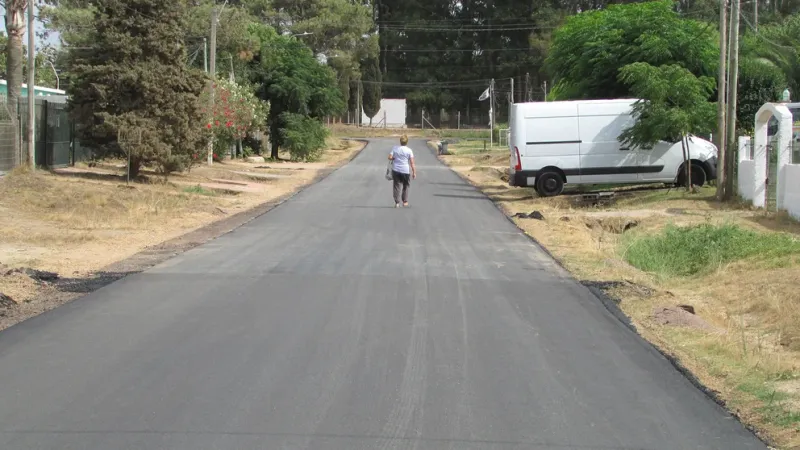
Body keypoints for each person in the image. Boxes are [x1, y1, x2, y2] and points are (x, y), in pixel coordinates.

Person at [388, 135, 416, 207]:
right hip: (405, 170)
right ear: (407, 142)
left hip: (396, 170)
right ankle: (405, 201)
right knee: (405, 185)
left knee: (396, 186)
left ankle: (397, 202)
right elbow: (412, 162)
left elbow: (389, 157)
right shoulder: (409, 150)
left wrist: (394, 158)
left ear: (400, 141)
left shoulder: (395, 148)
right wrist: (414, 172)